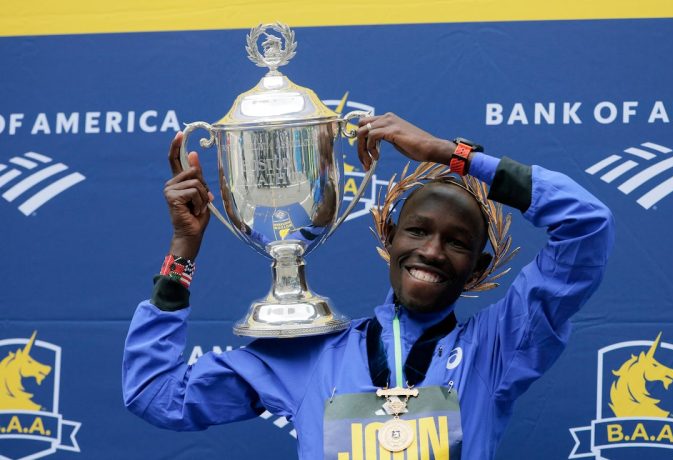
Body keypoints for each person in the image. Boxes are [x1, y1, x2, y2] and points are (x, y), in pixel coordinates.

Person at [122, 113, 614, 459]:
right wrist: (183, 249)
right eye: (417, 231)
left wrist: (453, 155)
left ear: (478, 267)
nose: (432, 251)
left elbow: (587, 225)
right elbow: (156, 394)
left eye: (457, 242)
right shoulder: (313, 355)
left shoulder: (498, 348)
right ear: (389, 236)